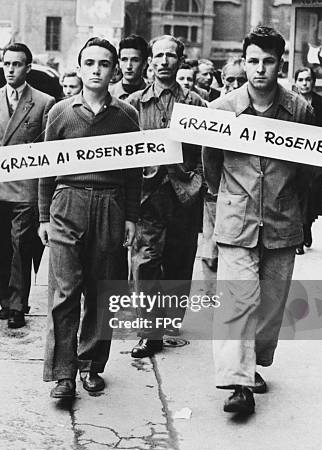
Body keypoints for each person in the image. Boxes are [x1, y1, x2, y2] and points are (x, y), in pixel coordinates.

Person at [203, 26, 316, 415]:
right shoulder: (222, 110)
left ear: (280, 63)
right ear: (244, 61)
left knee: (270, 305)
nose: (260, 69)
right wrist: (230, 199)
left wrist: (290, 201)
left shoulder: (299, 110)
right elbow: (210, 164)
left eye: (268, 61)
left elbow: (308, 167)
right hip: (238, 220)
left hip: (283, 220)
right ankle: (237, 383)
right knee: (238, 302)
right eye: (253, 61)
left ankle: (254, 365)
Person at [39, 37, 141, 398]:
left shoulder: (127, 115)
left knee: (102, 291)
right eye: (90, 63)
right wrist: (43, 217)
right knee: (65, 292)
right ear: (80, 68)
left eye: (104, 64)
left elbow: (133, 171)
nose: (97, 70)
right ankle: (63, 372)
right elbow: (46, 169)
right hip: (68, 203)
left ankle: (91, 364)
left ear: (114, 71)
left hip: (111, 205)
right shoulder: (60, 113)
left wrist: (130, 216)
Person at [127, 35, 206, 359]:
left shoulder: (196, 104)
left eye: (170, 56)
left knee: (179, 262)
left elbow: (206, 152)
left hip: (183, 196)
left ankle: (171, 318)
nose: (163, 62)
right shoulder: (134, 103)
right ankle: (149, 333)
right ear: (150, 61)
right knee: (145, 264)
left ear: (180, 60)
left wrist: (197, 181)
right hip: (147, 198)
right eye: (157, 56)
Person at [0, 43, 55, 329]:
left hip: (26, 188)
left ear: (27, 68)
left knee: (22, 244)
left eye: (17, 64)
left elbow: (48, 149)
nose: (10, 69)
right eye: (6, 64)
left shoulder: (44, 103)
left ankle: (18, 304)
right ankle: (5, 301)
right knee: (0, 246)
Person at [201, 58, 247, 271]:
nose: (236, 85)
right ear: (222, 80)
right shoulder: (211, 108)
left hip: (243, 196)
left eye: (241, 79)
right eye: (231, 79)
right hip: (214, 192)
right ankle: (211, 298)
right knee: (211, 255)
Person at [293, 66, 322, 255]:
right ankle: (299, 236)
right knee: (297, 196)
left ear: (314, 81)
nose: (304, 83)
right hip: (294, 159)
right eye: (301, 80)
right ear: (295, 82)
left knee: (312, 195)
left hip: (316, 161)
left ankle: (307, 225)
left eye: (308, 79)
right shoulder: (290, 101)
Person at [110, 34, 149, 100]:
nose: (128, 66)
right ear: (119, 62)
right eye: (124, 60)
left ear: (144, 64)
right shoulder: (108, 94)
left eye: (135, 60)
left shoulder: (152, 95)